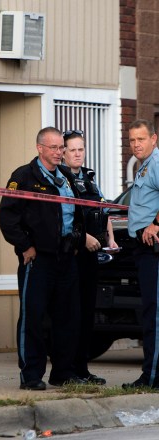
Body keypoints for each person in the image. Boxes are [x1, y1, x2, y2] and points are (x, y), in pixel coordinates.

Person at [0, 126, 86, 391]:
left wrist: (78, 242)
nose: (60, 153)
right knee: (33, 318)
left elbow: (76, 214)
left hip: (66, 256)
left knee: (67, 318)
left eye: (62, 147)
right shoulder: (24, 176)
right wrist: (25, 246)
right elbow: (7, 217)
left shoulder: (66, 178)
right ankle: (31, 375)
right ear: (40, 148)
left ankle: (63, 372)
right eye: (55, 148)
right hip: (38, 259)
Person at [62, 129, 118, 385]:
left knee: (86, 313)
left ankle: (82, 369)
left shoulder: (90, 177)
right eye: (72, 149)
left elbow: (102, 209)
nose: (77, 154)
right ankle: (69, 370)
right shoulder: (60, 179)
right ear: (63, 152)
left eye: (80, 149)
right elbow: (64, 218)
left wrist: (111, 239)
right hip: (72, 254)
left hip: (93, 256)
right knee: (71, 314)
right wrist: (83, 238)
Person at [123, 119, 159, 389]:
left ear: (154, 139)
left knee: (154, 314)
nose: (136, 144)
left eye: (141, 139)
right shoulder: (144, 166)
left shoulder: (156, 163)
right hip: (141, 248)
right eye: (132, 140)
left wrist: (156, 223)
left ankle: (152, 377)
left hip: (153, 248)